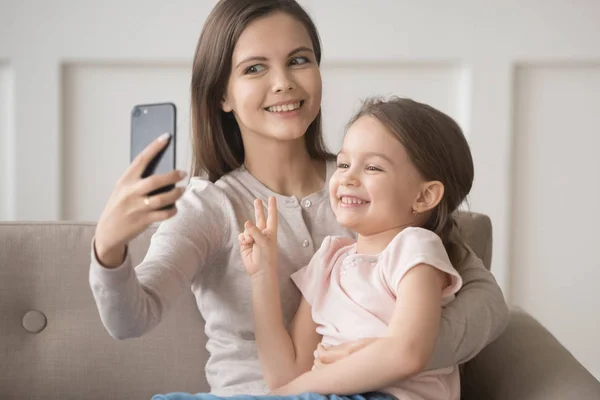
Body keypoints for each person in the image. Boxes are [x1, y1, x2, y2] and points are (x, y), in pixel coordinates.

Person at [89, 0, 509, 397]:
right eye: (254, 68)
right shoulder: (210, 207)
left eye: (299, 60)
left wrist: (386, 356)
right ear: (223, 95)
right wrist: (108, 249)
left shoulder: (379, 187)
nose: (283, 82)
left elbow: (487, 302)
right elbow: (131, 319)